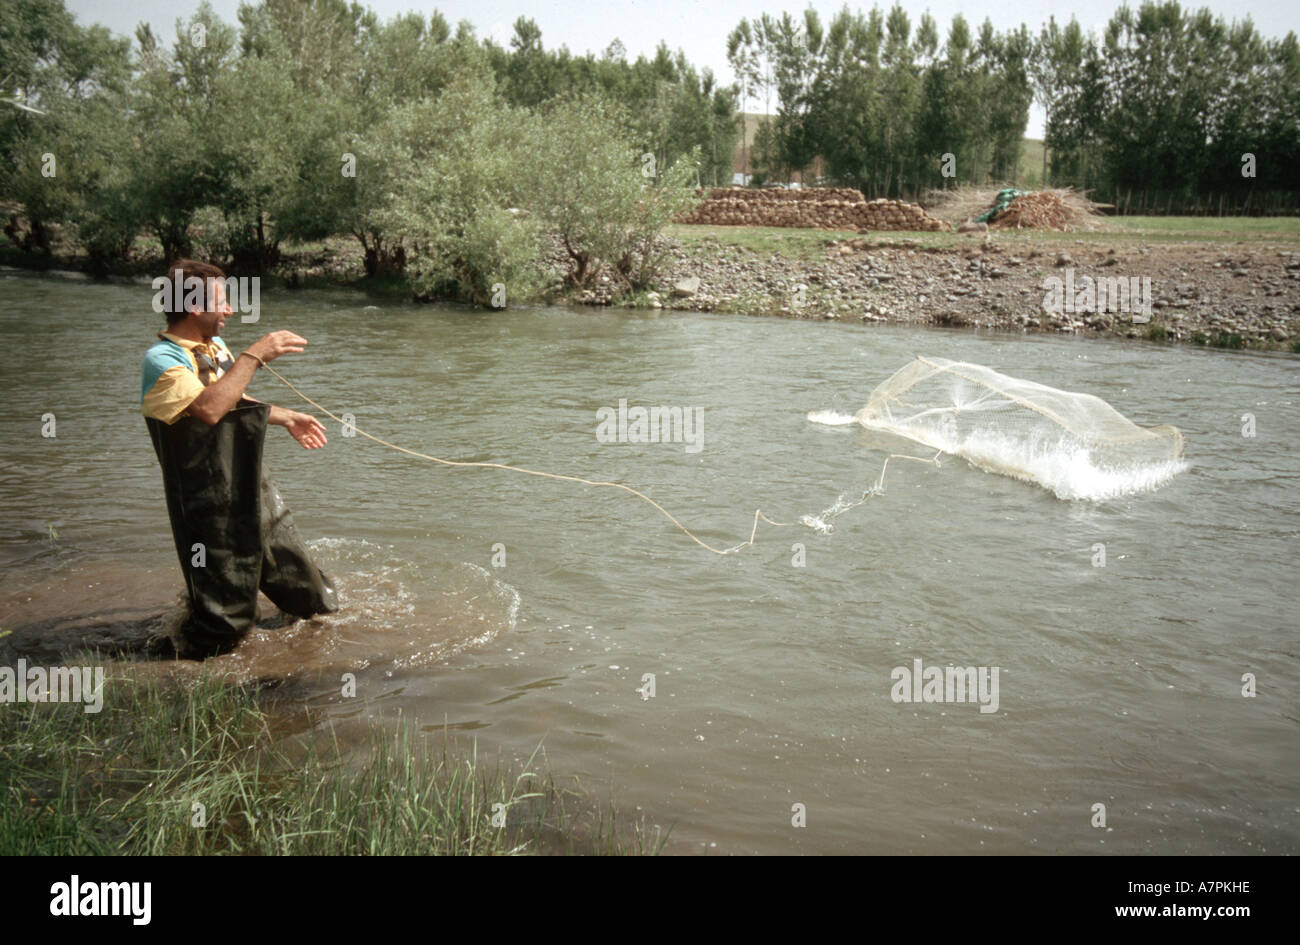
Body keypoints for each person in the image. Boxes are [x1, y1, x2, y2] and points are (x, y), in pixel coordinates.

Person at [142, 258, 338, 659]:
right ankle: (172, 666)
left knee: (307, 589)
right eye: (223, 302)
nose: (230, 310)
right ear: (196, 307)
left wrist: (286, 417)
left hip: (250, 481)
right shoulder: (162, 360)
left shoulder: (214, 348)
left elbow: (234, 399)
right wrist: (255, 355)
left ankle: (317, 638)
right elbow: (210, 409)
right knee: (225, 620)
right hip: (206, 501)